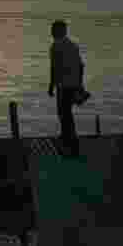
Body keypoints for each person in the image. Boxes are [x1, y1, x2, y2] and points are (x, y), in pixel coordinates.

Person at [48, 20, 88, 158]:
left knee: (63, 113)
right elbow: (81, 66)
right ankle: (69, 139)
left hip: (63, 86)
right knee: (68, 114)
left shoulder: (55, 47)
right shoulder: (73, 46)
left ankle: (68, 141)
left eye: (53, 30)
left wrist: (51, 86)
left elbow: (54, 68)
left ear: (58, 31)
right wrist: (80, 85)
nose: (51, 32)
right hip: (74, 84)